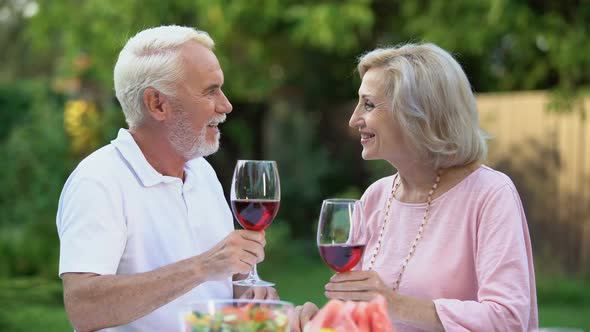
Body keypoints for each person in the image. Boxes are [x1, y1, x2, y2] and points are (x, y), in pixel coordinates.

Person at [292, 43, 538, 331]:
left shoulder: (489, 194)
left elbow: (508, 319)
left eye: (369, 104)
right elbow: (366, 316)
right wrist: (323, 319)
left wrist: (395, 304)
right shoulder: (376, 197)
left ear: (417, 115)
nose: (353, 119)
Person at [56, 25, 277, 332]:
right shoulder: (98, 180)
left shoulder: (202, 172)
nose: (226, 105)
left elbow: (218, 285)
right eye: (210, 90)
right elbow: (83, 307)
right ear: (157, 104)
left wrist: (248, 292)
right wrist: (201, 267)